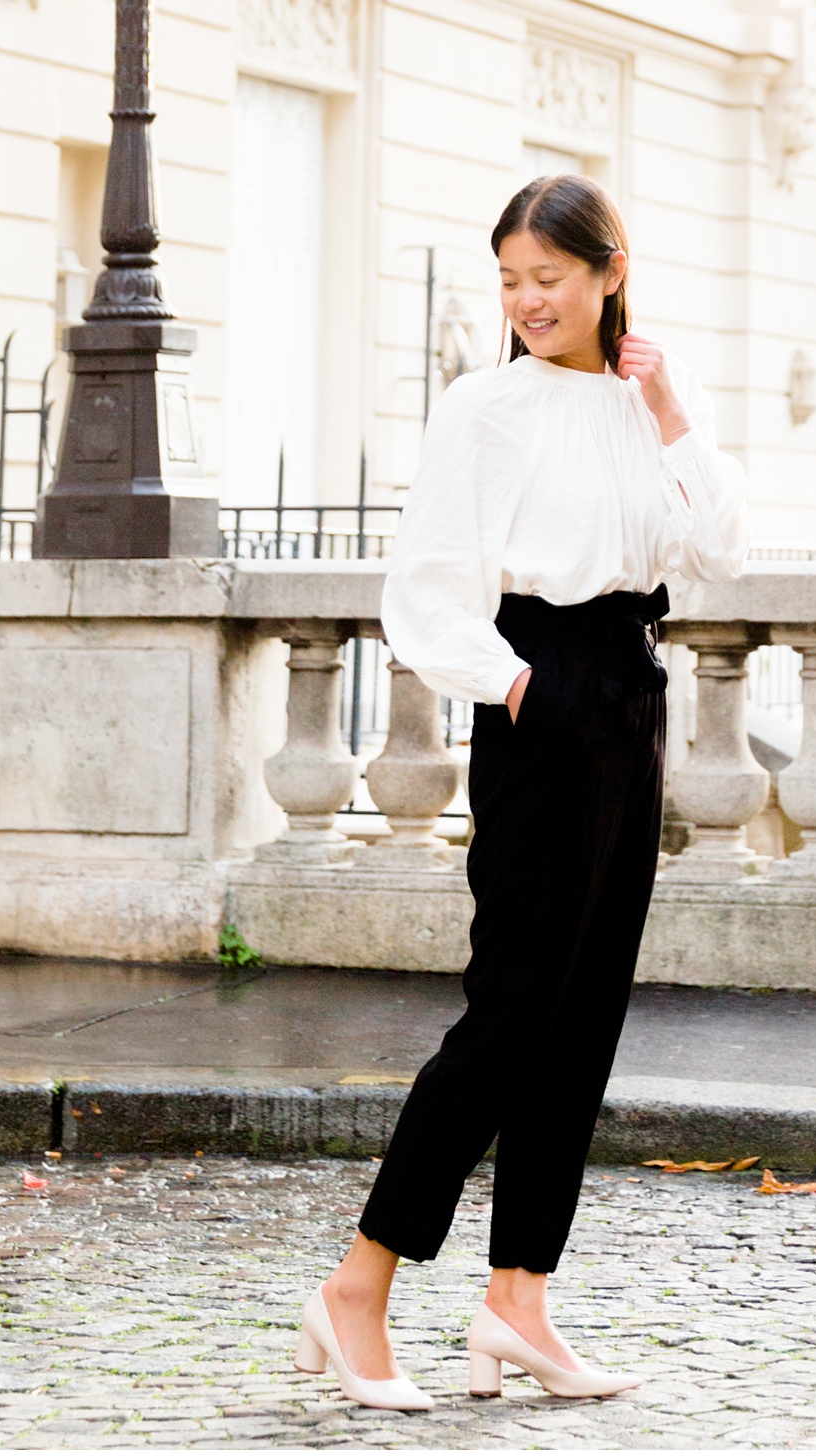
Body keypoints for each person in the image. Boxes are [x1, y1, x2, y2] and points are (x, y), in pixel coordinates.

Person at [296, 175, 749, 1411]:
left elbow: (724, 554)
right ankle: (359, 1286)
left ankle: (517, 1302)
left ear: (610, 272)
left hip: (632, 699)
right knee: (509, 1019)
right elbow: (425, 595)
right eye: (510, 279)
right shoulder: (483, 407)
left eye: (548, 277)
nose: (528, 299)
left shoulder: (655, 397)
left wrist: (666, 413)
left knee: (584, 1022)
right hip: (543, 706)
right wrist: (515, 692)